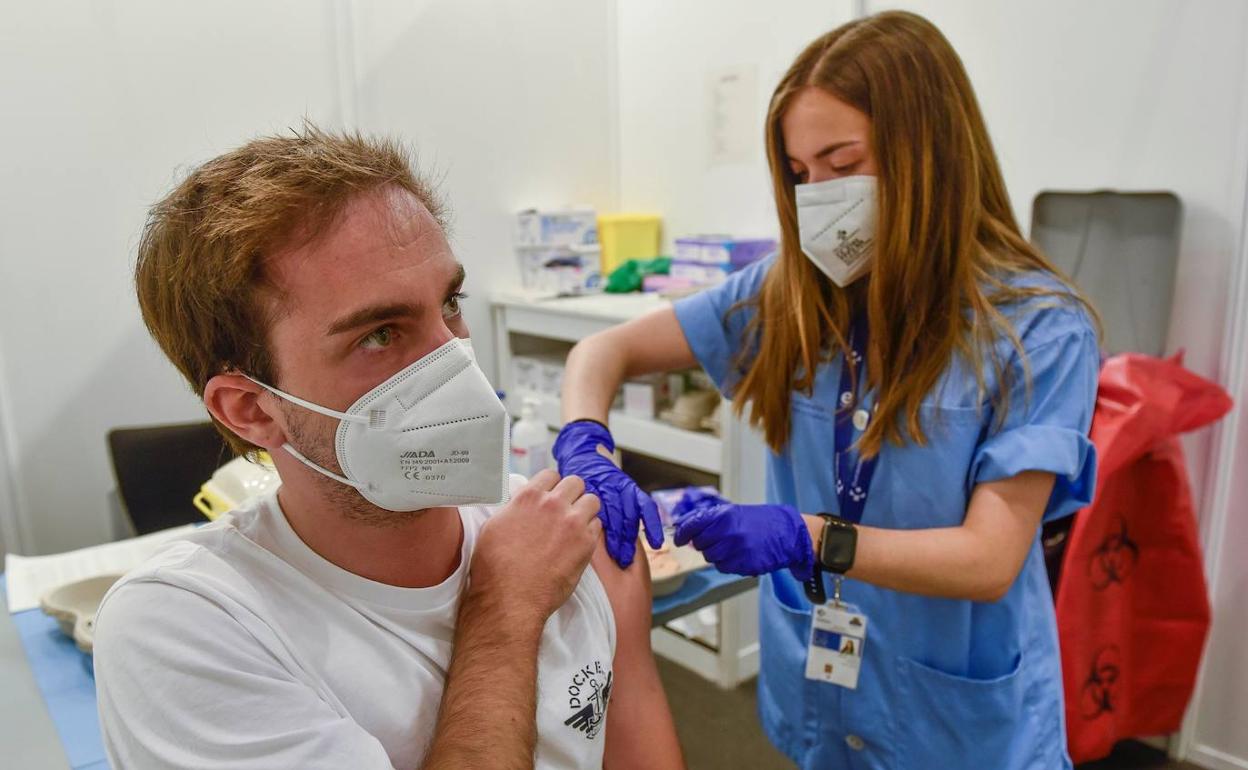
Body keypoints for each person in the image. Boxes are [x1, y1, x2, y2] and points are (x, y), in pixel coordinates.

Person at [554, 11, 1098, 770]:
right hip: (826, 684)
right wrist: (586, 442)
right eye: (802, 174)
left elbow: (990, 559)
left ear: (930, 154)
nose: (819, 196)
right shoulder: (789, 296)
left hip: (955, 712)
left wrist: (806, 538)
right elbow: (601, 350)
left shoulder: (1037, 328)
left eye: (843, 163)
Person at [94, 127, 683, 769]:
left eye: (450, 303)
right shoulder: (184, 628)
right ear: (252, 409)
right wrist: (505, 606)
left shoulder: (552, 533)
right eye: (379, 335)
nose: (458, 365)